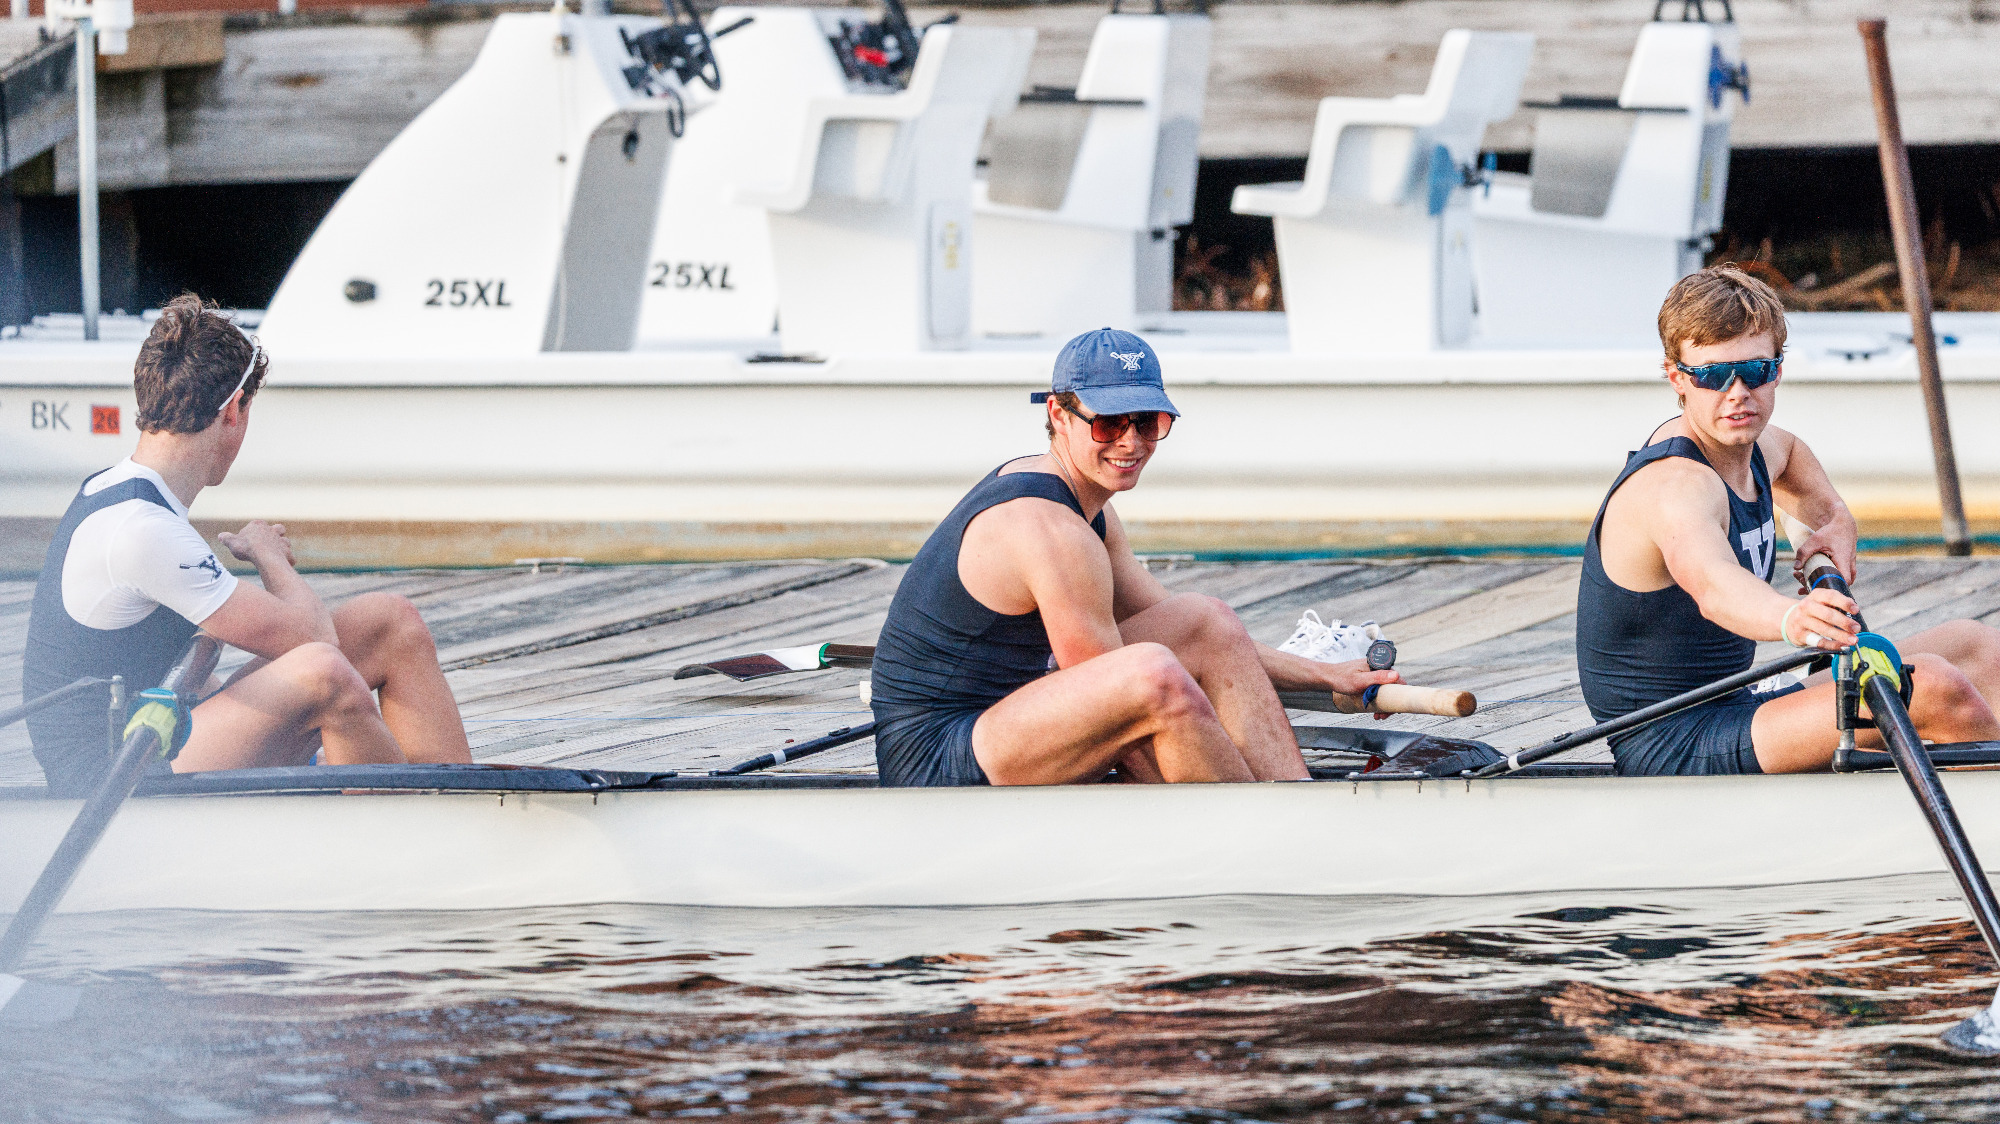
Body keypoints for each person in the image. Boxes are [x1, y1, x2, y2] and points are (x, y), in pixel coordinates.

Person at [867, 328, 1401, 787]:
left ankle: (1294, 795)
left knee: (1205, 620)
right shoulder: (1051, 529)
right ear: (1059, 413)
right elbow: (1124, 702)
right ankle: (1263, 831)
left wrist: (1325, 676)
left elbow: (1202, 641)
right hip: (937, 753)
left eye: (1147, 421)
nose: (1130, 441)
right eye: (1109, 424)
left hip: (1012, 720)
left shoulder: (1091, 511)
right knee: (1151, 675)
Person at [22, 293, 472, 796]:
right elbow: (315, 636)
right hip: (110, 775)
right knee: (322, 672)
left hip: (154, 728)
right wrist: (269, 557)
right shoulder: (140, 527)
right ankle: (416, 833)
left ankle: (464, 806)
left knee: (389, 623)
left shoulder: (124, 490)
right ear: (234, 410)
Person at [1577, 264, 2000, 776]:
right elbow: (1715, 588)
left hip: (1737, 701)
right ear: (1677, 379)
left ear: (1776, 369)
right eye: (1711, 375)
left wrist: (1834, 520)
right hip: (1672, 737)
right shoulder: (1676, 488)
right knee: (1932, 687)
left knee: (1976, 645)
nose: (1736, 392)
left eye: (1755, 371)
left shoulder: (1757, 444)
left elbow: (1792, 456)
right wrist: (1789, 617)